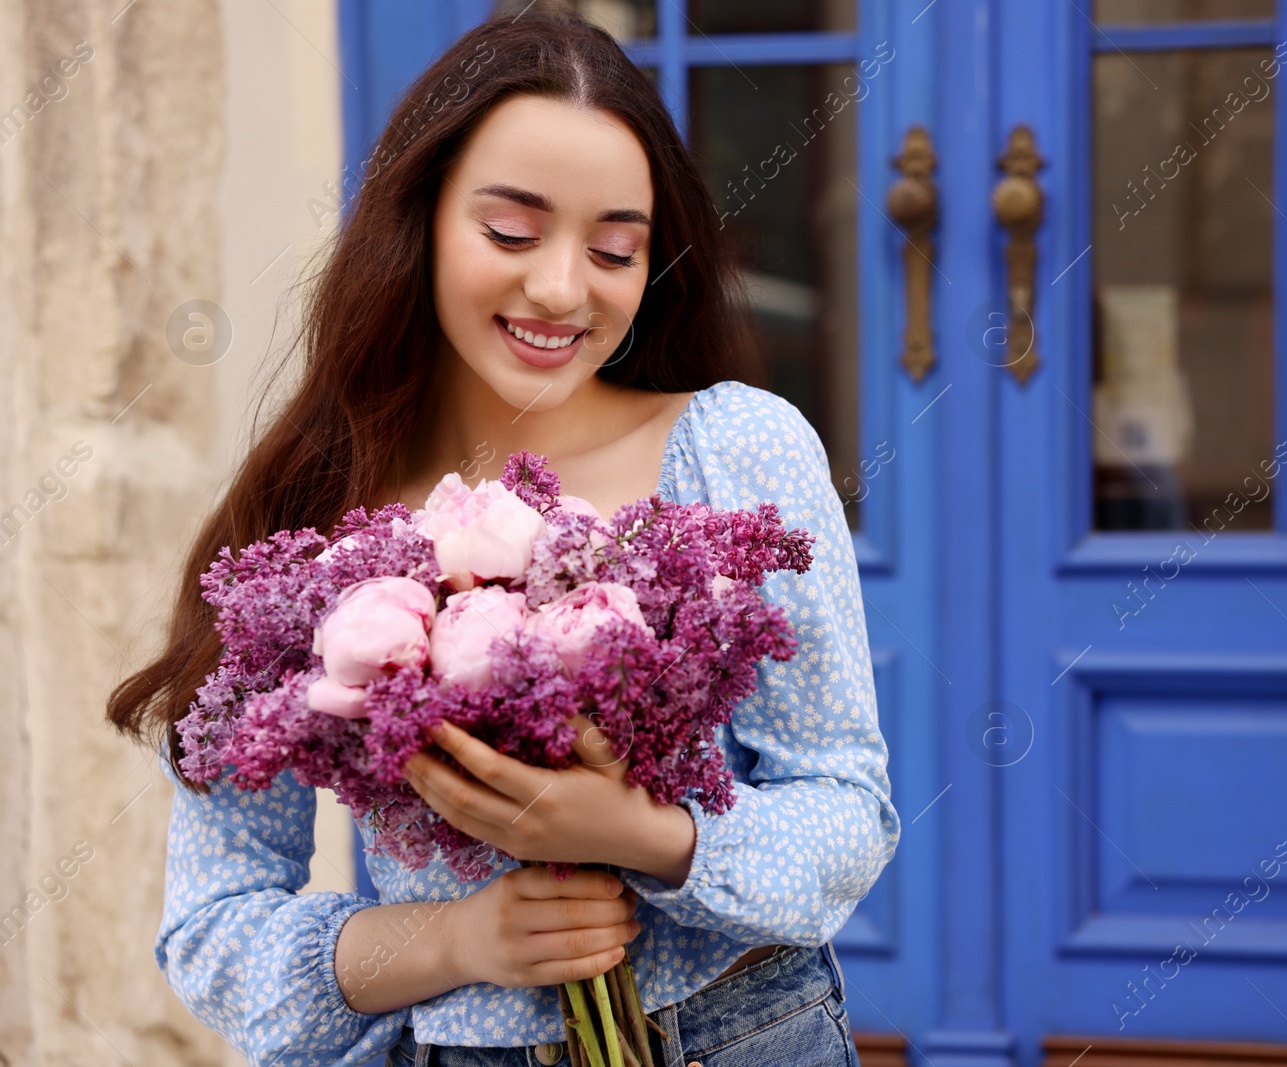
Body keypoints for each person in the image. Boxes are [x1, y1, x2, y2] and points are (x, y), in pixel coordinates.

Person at [104, 9, 899, 1066]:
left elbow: (848, 813)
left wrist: (641, 834)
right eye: (512, 233)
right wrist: (457, 938)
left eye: (615, 247)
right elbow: (214, 926)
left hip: (745, 1034)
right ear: (420, 219)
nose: (563, 287)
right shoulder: (306, 533)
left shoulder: (735, 450)